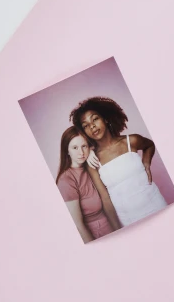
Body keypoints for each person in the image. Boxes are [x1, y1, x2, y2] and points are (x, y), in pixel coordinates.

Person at [70, 96, 167, 227]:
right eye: (86, 125)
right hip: (128, 218)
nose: (92, 126)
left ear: (105, 119)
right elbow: (105, 199)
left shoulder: (131, 141)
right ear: (84, 132)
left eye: (95, 119)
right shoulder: (93, 161)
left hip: (157, 205)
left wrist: (146, 162)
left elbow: (149, 145)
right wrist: (117, 229)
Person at [56, 126, 120, 242]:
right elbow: (78, 225)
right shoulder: (66, 180)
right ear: (67, 150)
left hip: (110, 221)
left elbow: (102, 145)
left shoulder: (89, 164)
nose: (81, 153)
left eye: (84, 146)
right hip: (93, 232)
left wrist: (90, 151)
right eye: (75, 148)